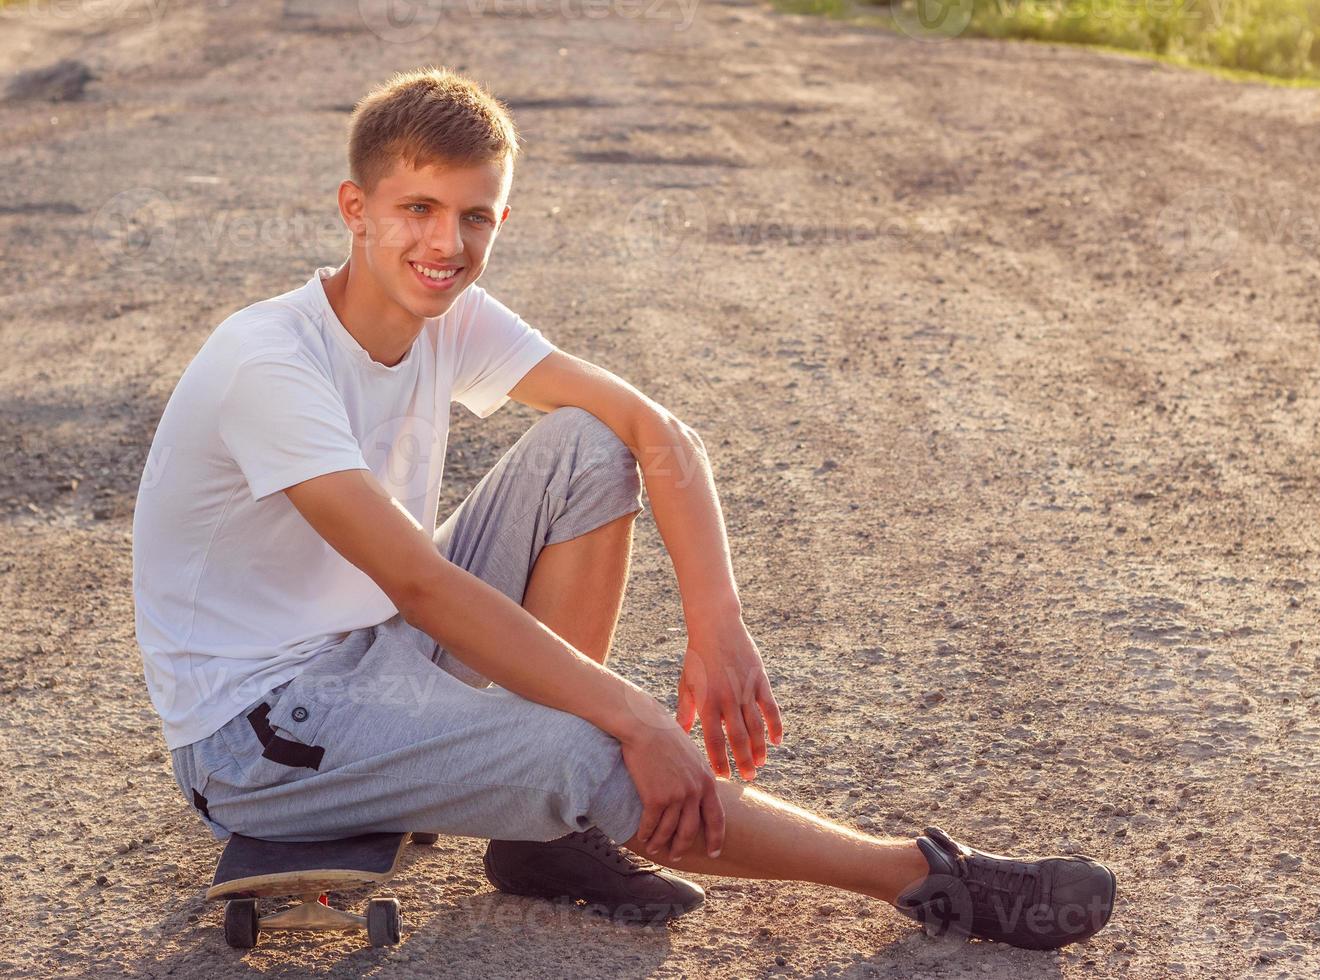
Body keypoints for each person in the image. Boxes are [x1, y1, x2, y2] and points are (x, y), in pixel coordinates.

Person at [131, 66, 1117, 951]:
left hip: (369, 644)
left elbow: (658, 431)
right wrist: (636, 718)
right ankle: (924, 875)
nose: (446, 242)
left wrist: (716, 623)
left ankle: (548, 842)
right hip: (258, 730)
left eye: (474, 216)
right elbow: (420, 582)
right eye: (417, 208)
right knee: (588, 742)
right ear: (356, 208)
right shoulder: (269, 362)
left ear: (499, 222)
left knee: (590, 447)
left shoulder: (449, 313)